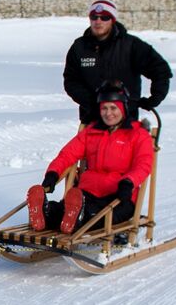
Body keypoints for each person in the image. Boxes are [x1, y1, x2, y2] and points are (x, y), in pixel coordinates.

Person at [27, 81, 154, 235]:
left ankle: (73, 218)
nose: (108, 113)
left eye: (113, 108)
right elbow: (67, 154)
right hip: (87, 192)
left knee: (95, 216)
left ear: (123, 108)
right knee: (68, 208)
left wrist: (129, 182)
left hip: (118, 196)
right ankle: (47, 212)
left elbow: (143, 164)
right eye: (104, 108)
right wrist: (53, 173)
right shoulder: (92, 132)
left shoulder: (138, 134)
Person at [63, 0, 172, 125]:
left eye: (104, 17)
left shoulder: (131, 45)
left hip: (126, 121)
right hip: (91, 119)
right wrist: (93, 102)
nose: (98, 21)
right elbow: (71, 80)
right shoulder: (79, 47)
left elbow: (160, 70)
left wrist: (154, 99)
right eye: (94, 17)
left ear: (113, 20)